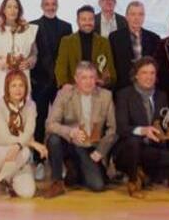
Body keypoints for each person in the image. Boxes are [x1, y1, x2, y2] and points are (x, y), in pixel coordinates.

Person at [114, 57, 169, 198]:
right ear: (136, 75)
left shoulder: (161, 96)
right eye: (144, 73)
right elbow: (121, 128)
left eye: (152, 73)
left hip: (151, 150)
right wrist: (143, 130)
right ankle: (134, 181)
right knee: (133, 141)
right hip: (128, 150)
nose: (149, 77)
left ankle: (145, 175)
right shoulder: (123, 95)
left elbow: (166, 126)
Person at [43, 61, 117, 198]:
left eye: (92, 77)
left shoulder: (106, 96)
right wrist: (70, 132)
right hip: (69, 142)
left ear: (96, 79)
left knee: (98, 185)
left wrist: (101, 150)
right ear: (76, 79)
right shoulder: (65, 94)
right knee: (53, 139)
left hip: (90, 146)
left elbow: (113, 129)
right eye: (84, 78)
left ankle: (75, 170)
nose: (88, 82)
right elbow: (50, 124)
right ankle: (57, 182)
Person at [0, 0, 38, 147]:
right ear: (3, 10)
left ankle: (20, 153)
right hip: (0, 76)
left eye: (15, 7)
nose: (12, 10)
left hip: (21, 77)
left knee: (20, 112)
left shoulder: (29, 30)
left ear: (19, 10)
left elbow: (34, 54)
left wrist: (29, 62)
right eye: (9, 7)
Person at [0, 70, 47, 198]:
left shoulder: (31, 106)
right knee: (25, 151)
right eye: (14, 85)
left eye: (21, 85)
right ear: (7, 88)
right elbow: (3, 137)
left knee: (28, 193)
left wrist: (20, 144)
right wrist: (32, 144)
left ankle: (9, 179)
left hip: (16, 156)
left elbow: (29, 131)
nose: (18, 89)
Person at [31, 0, 72, 148]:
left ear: (57, 5)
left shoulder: (66, 27)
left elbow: (67, 56)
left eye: (53, 3)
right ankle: (38, 158)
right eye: (47, 4)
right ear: (42, 6)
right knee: (39, 119)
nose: (50, 6)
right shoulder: (32, 26)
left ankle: (60, 156)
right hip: (39, 82)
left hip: (60, 83)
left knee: (62, 120)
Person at [55, 5, 115, 87]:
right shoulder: (67, 41)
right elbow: (60, 68)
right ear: (77, 21)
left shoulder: (104, 42)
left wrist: (105, 81)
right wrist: (64, 85)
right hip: (73, 89)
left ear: (94, 20)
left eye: (90, 19)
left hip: (98, 89)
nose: (87, 23)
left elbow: (110, 68)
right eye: (84, 19)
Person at [109, 1, 160, 91]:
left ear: (144, 17)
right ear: (126, 17)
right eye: (133, 14)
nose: (137, 18)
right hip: (123, 88)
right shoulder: (114, 37)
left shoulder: (154, 38)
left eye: (140, 14)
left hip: (147, 87)